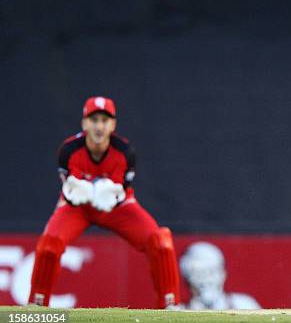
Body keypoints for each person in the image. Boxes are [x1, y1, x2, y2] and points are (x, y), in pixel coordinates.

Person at [28, 96, 181, 308]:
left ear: (113, 125)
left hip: (116, 208)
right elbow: (71, 193)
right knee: (49, 244)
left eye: (105, 120)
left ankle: (170, 305)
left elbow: (116, 194)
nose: (99, 126)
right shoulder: (69, 151)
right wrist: (86, 190)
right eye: (94, 120)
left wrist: (99, 188)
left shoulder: (125, 153)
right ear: (84, 123)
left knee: (159, 241)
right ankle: (36, 305)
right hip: (78, 208)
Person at [180, 242, 260, 310]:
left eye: (210, 272)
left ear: (223, 274)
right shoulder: (181, 312)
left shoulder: (245, 305)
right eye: (197, 275)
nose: (205, 281)